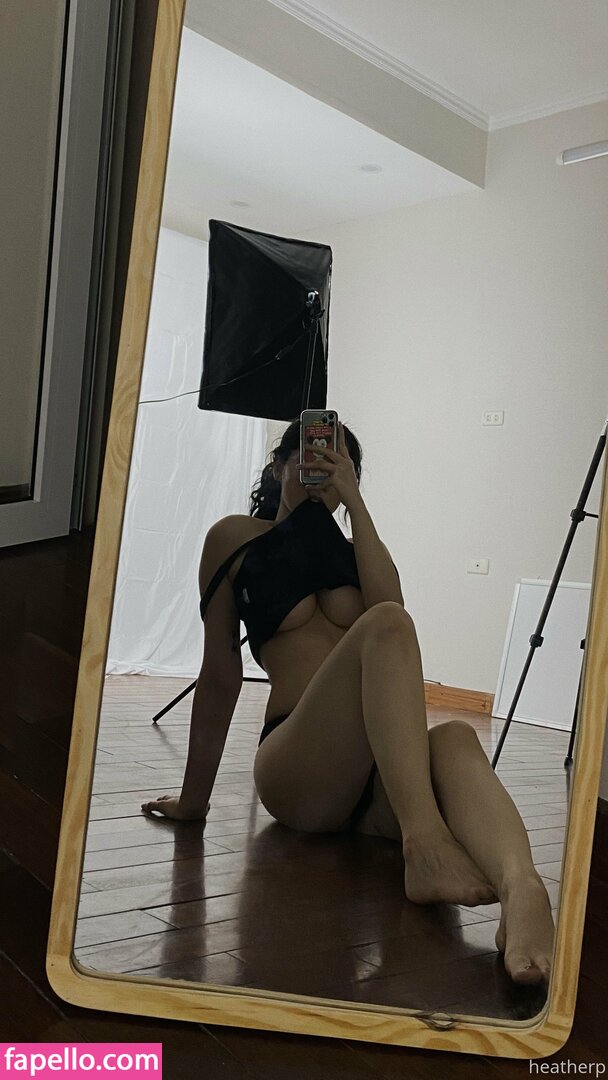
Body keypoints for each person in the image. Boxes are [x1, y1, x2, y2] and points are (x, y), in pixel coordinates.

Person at [142, 419, 555, 985]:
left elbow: (396, 619)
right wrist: (194, 802)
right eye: (309, 459)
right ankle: (425, 842)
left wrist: (355, 504)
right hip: (297, 768)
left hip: (382, 781)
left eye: (337, 468)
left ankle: (523, 888)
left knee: (456, 734)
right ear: (279, 465)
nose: (321, 476)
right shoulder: (235, 538)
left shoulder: (360, 552)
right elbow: (220, 673)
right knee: (385, 625)